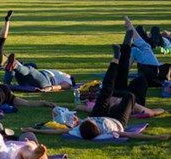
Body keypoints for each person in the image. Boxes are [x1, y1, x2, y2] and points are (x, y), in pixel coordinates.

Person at [21, 31, 169, 141]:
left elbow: (58, 132)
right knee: (131, 93)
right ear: (98, 129)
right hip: (117, 120)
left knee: (106, 90)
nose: (87, 119)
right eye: (91, 121)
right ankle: (123, 52)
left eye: (88, 120)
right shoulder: (109, 133)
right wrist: (158, 137)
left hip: (104, 109)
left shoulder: (79, 128)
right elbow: (129, 134)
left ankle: (115, 59)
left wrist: (33, 130)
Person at [126, 17, 170, 87]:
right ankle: (130, 28)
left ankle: (122, 74)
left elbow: (168, 49)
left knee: (139, 48)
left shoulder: (166, 42)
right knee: (138, 48)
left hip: (154, 74)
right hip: (154, 71)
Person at [3, 54, 75, 91]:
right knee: (31, 65)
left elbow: (64, 86)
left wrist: (50, 88)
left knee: (30, 70)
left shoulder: (68, 80)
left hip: (46, 81)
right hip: (31, 80)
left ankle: (15, 65)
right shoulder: (61, 74)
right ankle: (13, 64)